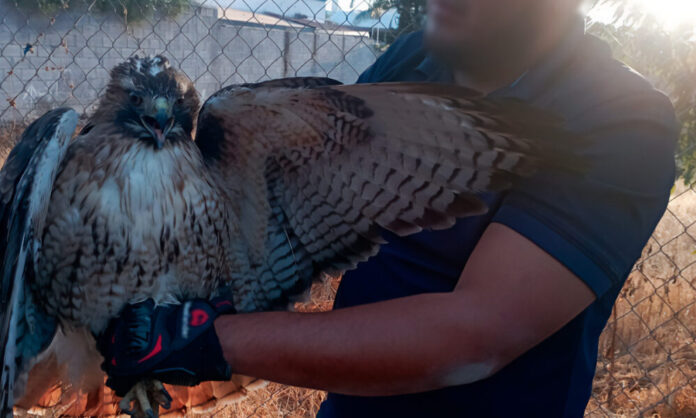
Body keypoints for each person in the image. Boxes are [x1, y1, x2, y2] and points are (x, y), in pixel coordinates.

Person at [98, 0, 679, 416]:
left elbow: (477, 336)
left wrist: (203, 340)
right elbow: (312, 199)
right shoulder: (418, 56)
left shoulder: (622, 117)